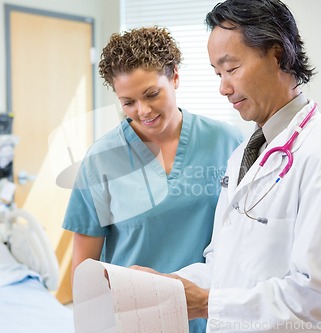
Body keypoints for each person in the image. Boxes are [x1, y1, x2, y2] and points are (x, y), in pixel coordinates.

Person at [135, 1, 321, 332]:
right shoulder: (245, 152)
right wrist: (169, 286)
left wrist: (205, 303)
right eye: (218, 74)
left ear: (277, 55)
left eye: (231, 70)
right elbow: (224, 263)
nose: (223, 88)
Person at [62, 26, 243, 332]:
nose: (142, 111)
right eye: (127, 102)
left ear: (174, 78)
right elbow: (85, 272)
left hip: (210, 316)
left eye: (151, 94)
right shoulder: (101, 160)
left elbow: (244, 237)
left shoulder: (228, 141)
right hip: (133, 321)